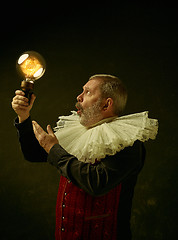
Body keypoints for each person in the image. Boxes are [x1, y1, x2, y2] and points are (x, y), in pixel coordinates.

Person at [11, 74, 158, 240]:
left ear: (106, 104)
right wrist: (23, 116)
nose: (79, 97)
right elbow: (32, 154)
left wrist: (53, 148)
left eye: (87, 92)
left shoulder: (128, 143)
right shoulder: (77, 133)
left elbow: (97, 182)